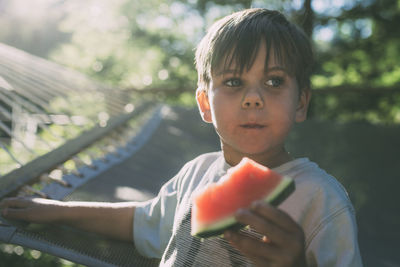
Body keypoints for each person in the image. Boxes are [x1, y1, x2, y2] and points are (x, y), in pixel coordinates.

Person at [0, 8, 362, 266]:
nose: (254, 97)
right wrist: (57, 210)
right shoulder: (197, 173)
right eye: (233, 82)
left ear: (301, 103)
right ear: (204, 103)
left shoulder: (321, 198)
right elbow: (143, 220)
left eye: (274, 81)